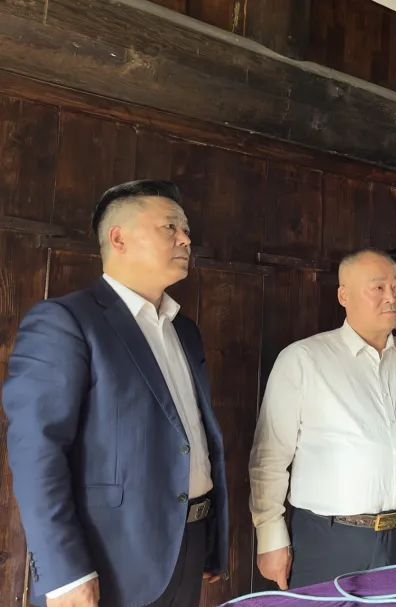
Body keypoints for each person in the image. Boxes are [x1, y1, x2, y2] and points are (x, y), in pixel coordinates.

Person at [4, 180, 229, 606]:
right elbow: (37, 449)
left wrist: (211, 539)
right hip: (108, 558)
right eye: (170, 227)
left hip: (188, 543)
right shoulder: (67, 321)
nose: (186, 239)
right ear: (119, 238)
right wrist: (64, 573)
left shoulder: (184, 330)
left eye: (185, 230)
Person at [249, 250, 396, 589]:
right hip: (328, 539)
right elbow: (269, 458)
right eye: (378, 287)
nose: (392, 297)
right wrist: (270, 536)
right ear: (344, 295)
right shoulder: (304, 359)